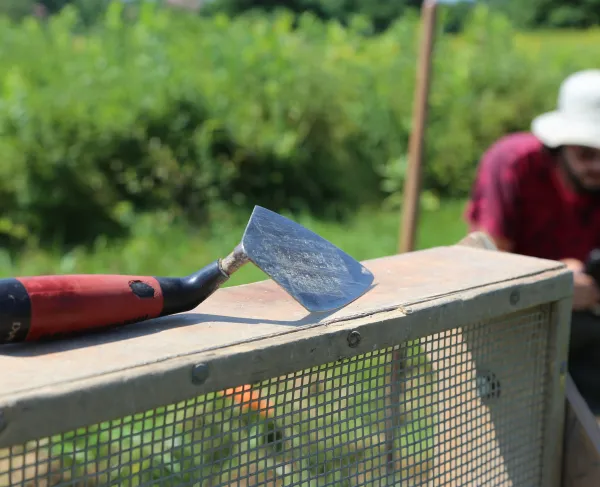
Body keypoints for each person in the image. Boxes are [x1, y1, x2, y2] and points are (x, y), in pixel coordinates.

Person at [464, 69, 600, 412]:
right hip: (510, 322)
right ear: (562, 144)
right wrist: (557, 279)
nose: (598, 166)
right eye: (586, 154)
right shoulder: (513, 163)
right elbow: (485, 263)